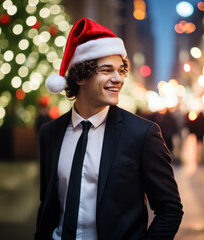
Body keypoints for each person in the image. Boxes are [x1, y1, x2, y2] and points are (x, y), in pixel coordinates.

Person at [35, 18, 183, 240]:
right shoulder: (50, 133)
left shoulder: (142, 134)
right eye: (107, 70)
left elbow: (170, 210)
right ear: (80, 76)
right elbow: (47, 204)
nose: (118, 79)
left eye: (120, 71)